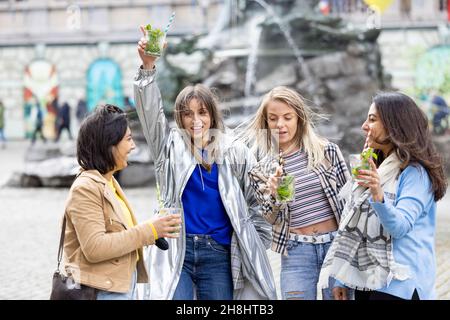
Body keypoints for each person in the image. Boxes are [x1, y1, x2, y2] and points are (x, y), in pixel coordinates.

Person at [134, 26, 276, 300]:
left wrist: (254, 240)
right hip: (178, 250)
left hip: (218, 253)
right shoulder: (169, 146)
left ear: (212, 115)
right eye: (187, 114)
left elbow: (257, 201)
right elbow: (150, 113)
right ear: (179, 117)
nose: (195, 120)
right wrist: (148, 67)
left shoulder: (235, 151)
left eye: (202, 112)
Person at [318, 92, 448, 300]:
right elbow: (356, 226)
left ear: (394, 124)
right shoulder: (377, 169)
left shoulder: (415, 174)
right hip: (367, 278)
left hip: (400, 283)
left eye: (372, 119)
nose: (364, 126)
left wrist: (378, 194)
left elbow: (400, 227)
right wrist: (342, 278)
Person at [61, 104, 182, 300]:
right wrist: (149, 231)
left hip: (119, 287)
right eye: (128, 139)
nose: (133, 146)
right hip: (101, 291)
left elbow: (118, 233)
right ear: (108, 144)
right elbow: (95, 247)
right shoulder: (86, 188)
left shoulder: (109, 181)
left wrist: (153, 229)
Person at [241, 86, 351, 300]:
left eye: (287, 117)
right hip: (296, 251)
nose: (280, 125)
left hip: (335, 247)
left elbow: (350, 204)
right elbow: (269, 218)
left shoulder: (326, 151)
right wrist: (274, 197)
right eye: (273, 119)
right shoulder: (261, 169)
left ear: (299, 119)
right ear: (266, 123)